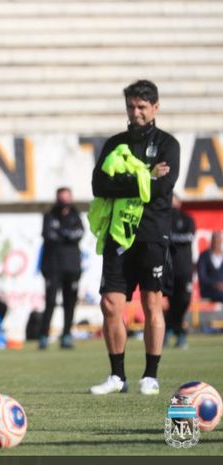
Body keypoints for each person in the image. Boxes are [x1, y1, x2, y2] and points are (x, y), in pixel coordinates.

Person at [89, 79, 180, 396]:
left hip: (153, 234)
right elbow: (99, 186)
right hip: (119, 233)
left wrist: (133, 181)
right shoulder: (115, 144)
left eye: (142, 106)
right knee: (110, 304)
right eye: (131, 106)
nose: (136, 112)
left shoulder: (168, 144)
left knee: (152, 303)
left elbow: (161, 191)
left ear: (155, 107)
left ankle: (150, 375)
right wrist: (144, 176)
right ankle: (117, 376)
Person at [38, 187, 84, 350]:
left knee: (69, 303)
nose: (64, 201)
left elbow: (79, 233)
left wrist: (62, 233)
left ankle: (66, 335)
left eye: (67, 197)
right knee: (50, 302)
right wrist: (66, 235)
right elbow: (49, 235)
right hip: (53, 266)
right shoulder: (49, 215)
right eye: (61, 197)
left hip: (72, 267)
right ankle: (44, 335)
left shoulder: (75, 215)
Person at [164, 194, 196, 348]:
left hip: (185, 269)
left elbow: (189, 236)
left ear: (179, 202)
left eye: (174, 199)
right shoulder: (164, 219)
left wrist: (173, 238)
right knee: (172, 301)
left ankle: (169, 327)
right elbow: (164, 238)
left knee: (184, 301)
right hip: (170, 269)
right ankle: (179, 334)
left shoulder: (188, 219)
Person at [197, 231, 223, 303]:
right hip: (208, 291)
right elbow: (202, 277)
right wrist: (215, 285)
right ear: (211, 242)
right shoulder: (204, 257)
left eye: (219, 241)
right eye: (215, 241)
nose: (217, 244)